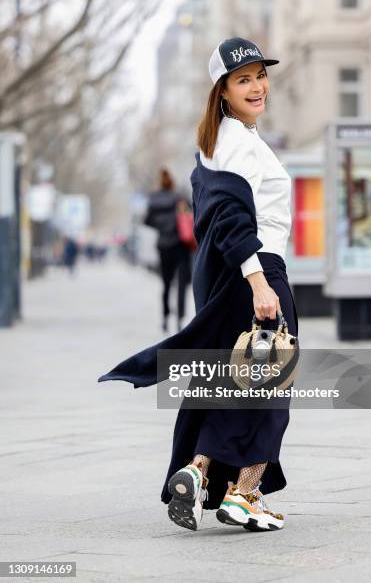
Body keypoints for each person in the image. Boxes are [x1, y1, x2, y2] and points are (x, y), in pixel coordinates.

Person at [98, 37, 298, 533]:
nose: (257, 87)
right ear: (222, 91)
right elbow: (230, 220)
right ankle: (244, 494)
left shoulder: (219, 142)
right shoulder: (235, 142)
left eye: (259, 75)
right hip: (260, 273)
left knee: (229, 384)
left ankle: (198, 469)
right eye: (243, 80)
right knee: (271, 390)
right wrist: (260, 283)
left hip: (237, 277)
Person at [144, 168, 192, 332]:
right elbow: (190, 213)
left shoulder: (153, 200)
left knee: (165, 283)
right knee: (182, 284)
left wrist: (161, 226)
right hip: (181, 244)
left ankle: (165, 318)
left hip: (163, 245)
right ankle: (180, 318)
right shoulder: (179, 197)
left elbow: (147, 221)